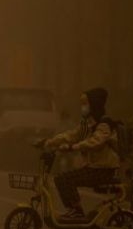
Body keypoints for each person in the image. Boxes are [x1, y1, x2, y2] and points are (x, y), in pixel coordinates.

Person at [43, 87, 120, 221]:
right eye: (82, 104)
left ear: (93, 104)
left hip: (103, 169)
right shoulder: (88, 124)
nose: (83, 107)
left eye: (85, 103)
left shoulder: (104, 124)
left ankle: (76, 211)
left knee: (65, 179)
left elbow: (95, 142)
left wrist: (74, 147)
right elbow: (72, 135)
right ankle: (74, 209)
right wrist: (50, 142)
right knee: (62, 178)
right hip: (93, 167)